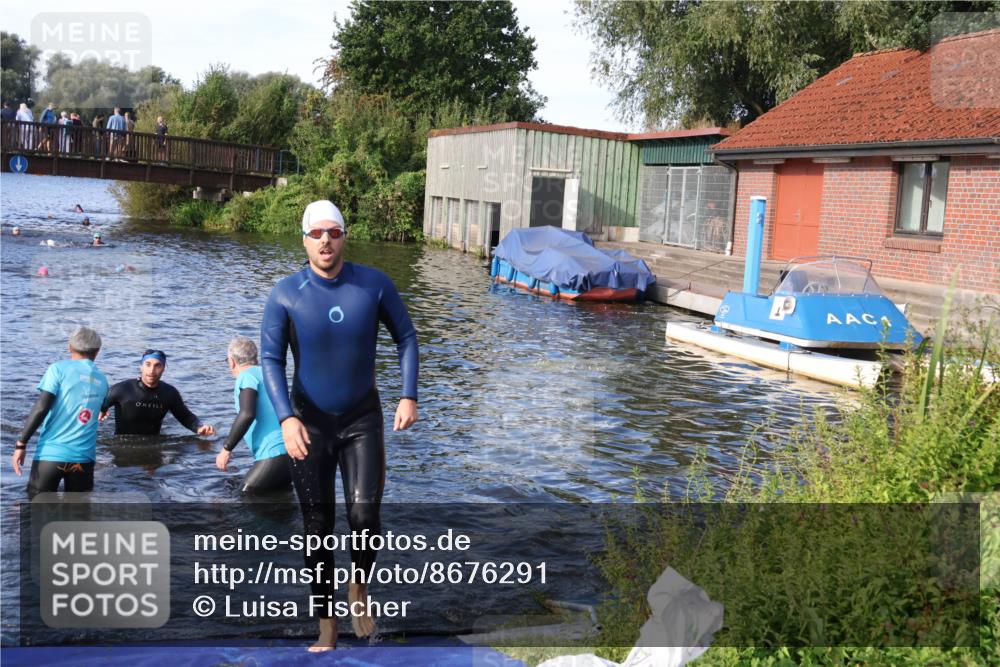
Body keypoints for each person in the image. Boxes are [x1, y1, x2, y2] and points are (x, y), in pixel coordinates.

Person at [261, 199, 419, 651]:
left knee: (364, 514)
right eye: (317, 234)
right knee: (317, 524)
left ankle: (358, 589)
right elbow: (271, 359)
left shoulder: (374, 285)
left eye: (333, 232)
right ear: (304, 240)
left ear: (344, 235)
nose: (325, 240)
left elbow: (406, 337)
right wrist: (287, 419)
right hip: (308, 423)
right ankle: (326, 622)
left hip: (361, 420)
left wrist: (408, 394)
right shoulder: (286, 294)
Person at [11, 327, 109, 498]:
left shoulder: (58, 369)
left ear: (69, 346)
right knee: (78, 517)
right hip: (84, 460)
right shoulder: (102, 380)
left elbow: (42, 407)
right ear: (97, 352)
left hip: (51, 456)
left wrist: (21, 444)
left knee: (36, 516)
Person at [216, 336, 291, 495]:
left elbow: (247, 414)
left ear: (232, 361)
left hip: (272, 454)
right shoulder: (270, 374)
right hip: (292, 452)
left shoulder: (246, 376)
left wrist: (226, 449)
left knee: (246, 498)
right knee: (280, 505)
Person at [100, 350, 216, 436]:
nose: (151, 371)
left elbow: (185, 417)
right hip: (122, 445)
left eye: (157, 365)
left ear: (164, 368)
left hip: (153, 444)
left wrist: (200, 427)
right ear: (141, 367)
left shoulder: (169, 393)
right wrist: (102, 411)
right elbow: (99, 407)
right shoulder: (122, 389)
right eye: (148, 364)